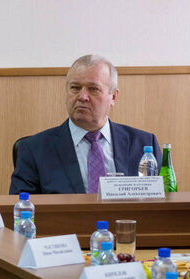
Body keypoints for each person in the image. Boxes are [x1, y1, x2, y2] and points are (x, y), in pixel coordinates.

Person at [10, 54, 161, 194]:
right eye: (75, 88)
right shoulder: (34, 149)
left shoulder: (144, 144)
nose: (82, 97)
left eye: (93, 89)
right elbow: (22, 210)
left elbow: (165, 202)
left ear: (113, 96)